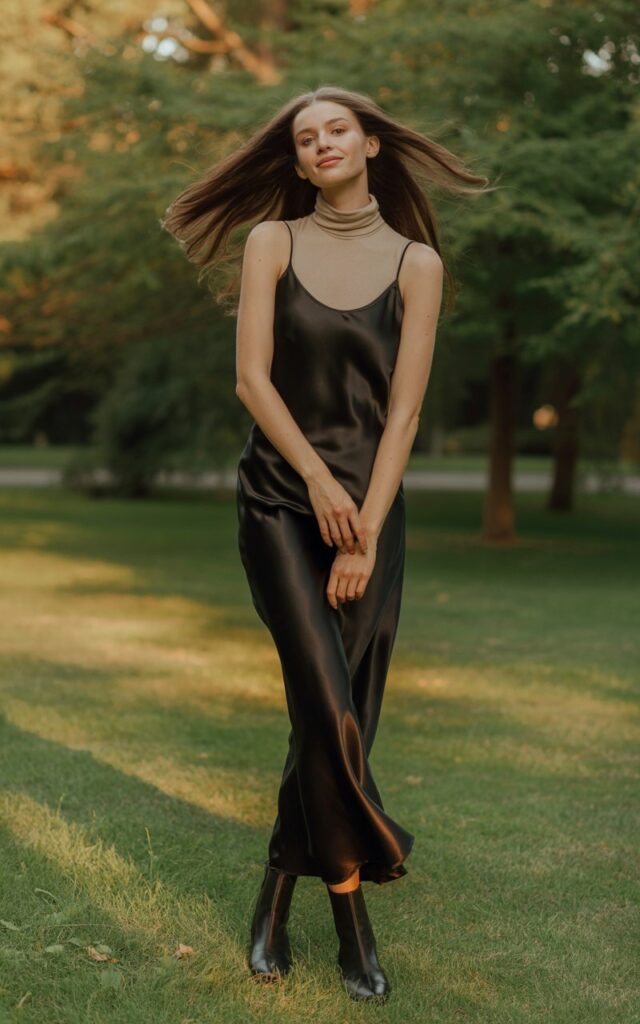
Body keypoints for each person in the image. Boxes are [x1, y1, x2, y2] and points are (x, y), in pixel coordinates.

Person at [162, 85, 490, 1003]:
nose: (321, 144)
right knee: (327, 703)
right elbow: (251, 381)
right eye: (305, 138)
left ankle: (274, 899)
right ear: (297, 160)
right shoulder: (276, 243)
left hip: (371, 513)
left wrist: (367, 530)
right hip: (278, 500)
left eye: (336, 128)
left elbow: (406, 410)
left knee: (332, 711)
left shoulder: (417, 264)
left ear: (372, 143)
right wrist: (314, 483)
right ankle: (354, 915)